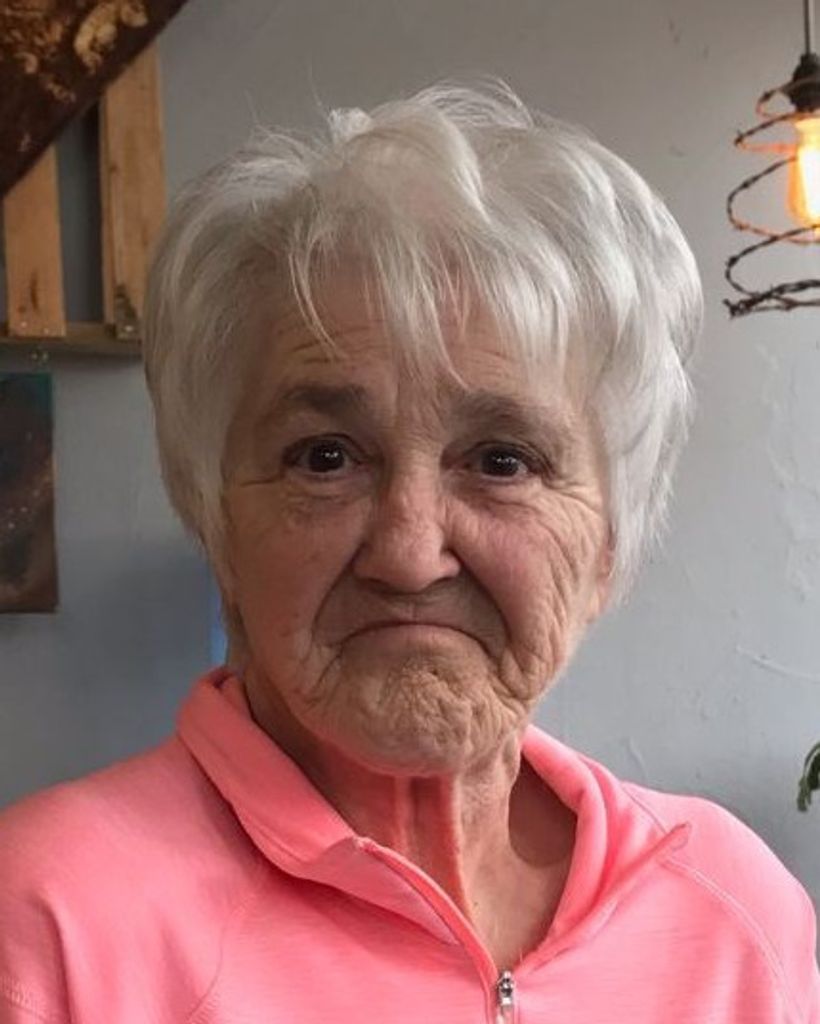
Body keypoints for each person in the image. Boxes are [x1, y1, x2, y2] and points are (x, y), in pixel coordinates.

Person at [0, 81, 817, 1023]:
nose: (409, 553)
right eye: (325, 457)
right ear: (217, 520)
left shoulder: (733, 912)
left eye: (503, 461)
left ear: (608, 541)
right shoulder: (48, 928)